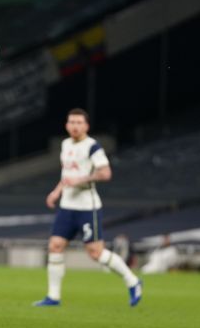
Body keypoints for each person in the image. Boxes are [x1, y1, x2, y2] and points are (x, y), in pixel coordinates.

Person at [34, 108, 142, 307]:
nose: (74, 126)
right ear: (67, 125)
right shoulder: (65, 144)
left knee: (95, 252)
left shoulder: (93, 147)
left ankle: (133, 281)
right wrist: (56, 192)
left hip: (87, 207)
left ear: (86, 126)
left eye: (79, 123)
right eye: (71, 122)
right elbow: (66, 174)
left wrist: (82, 179)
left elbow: (106, 173)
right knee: (55, 246)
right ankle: (53, 296)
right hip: (67, 206)